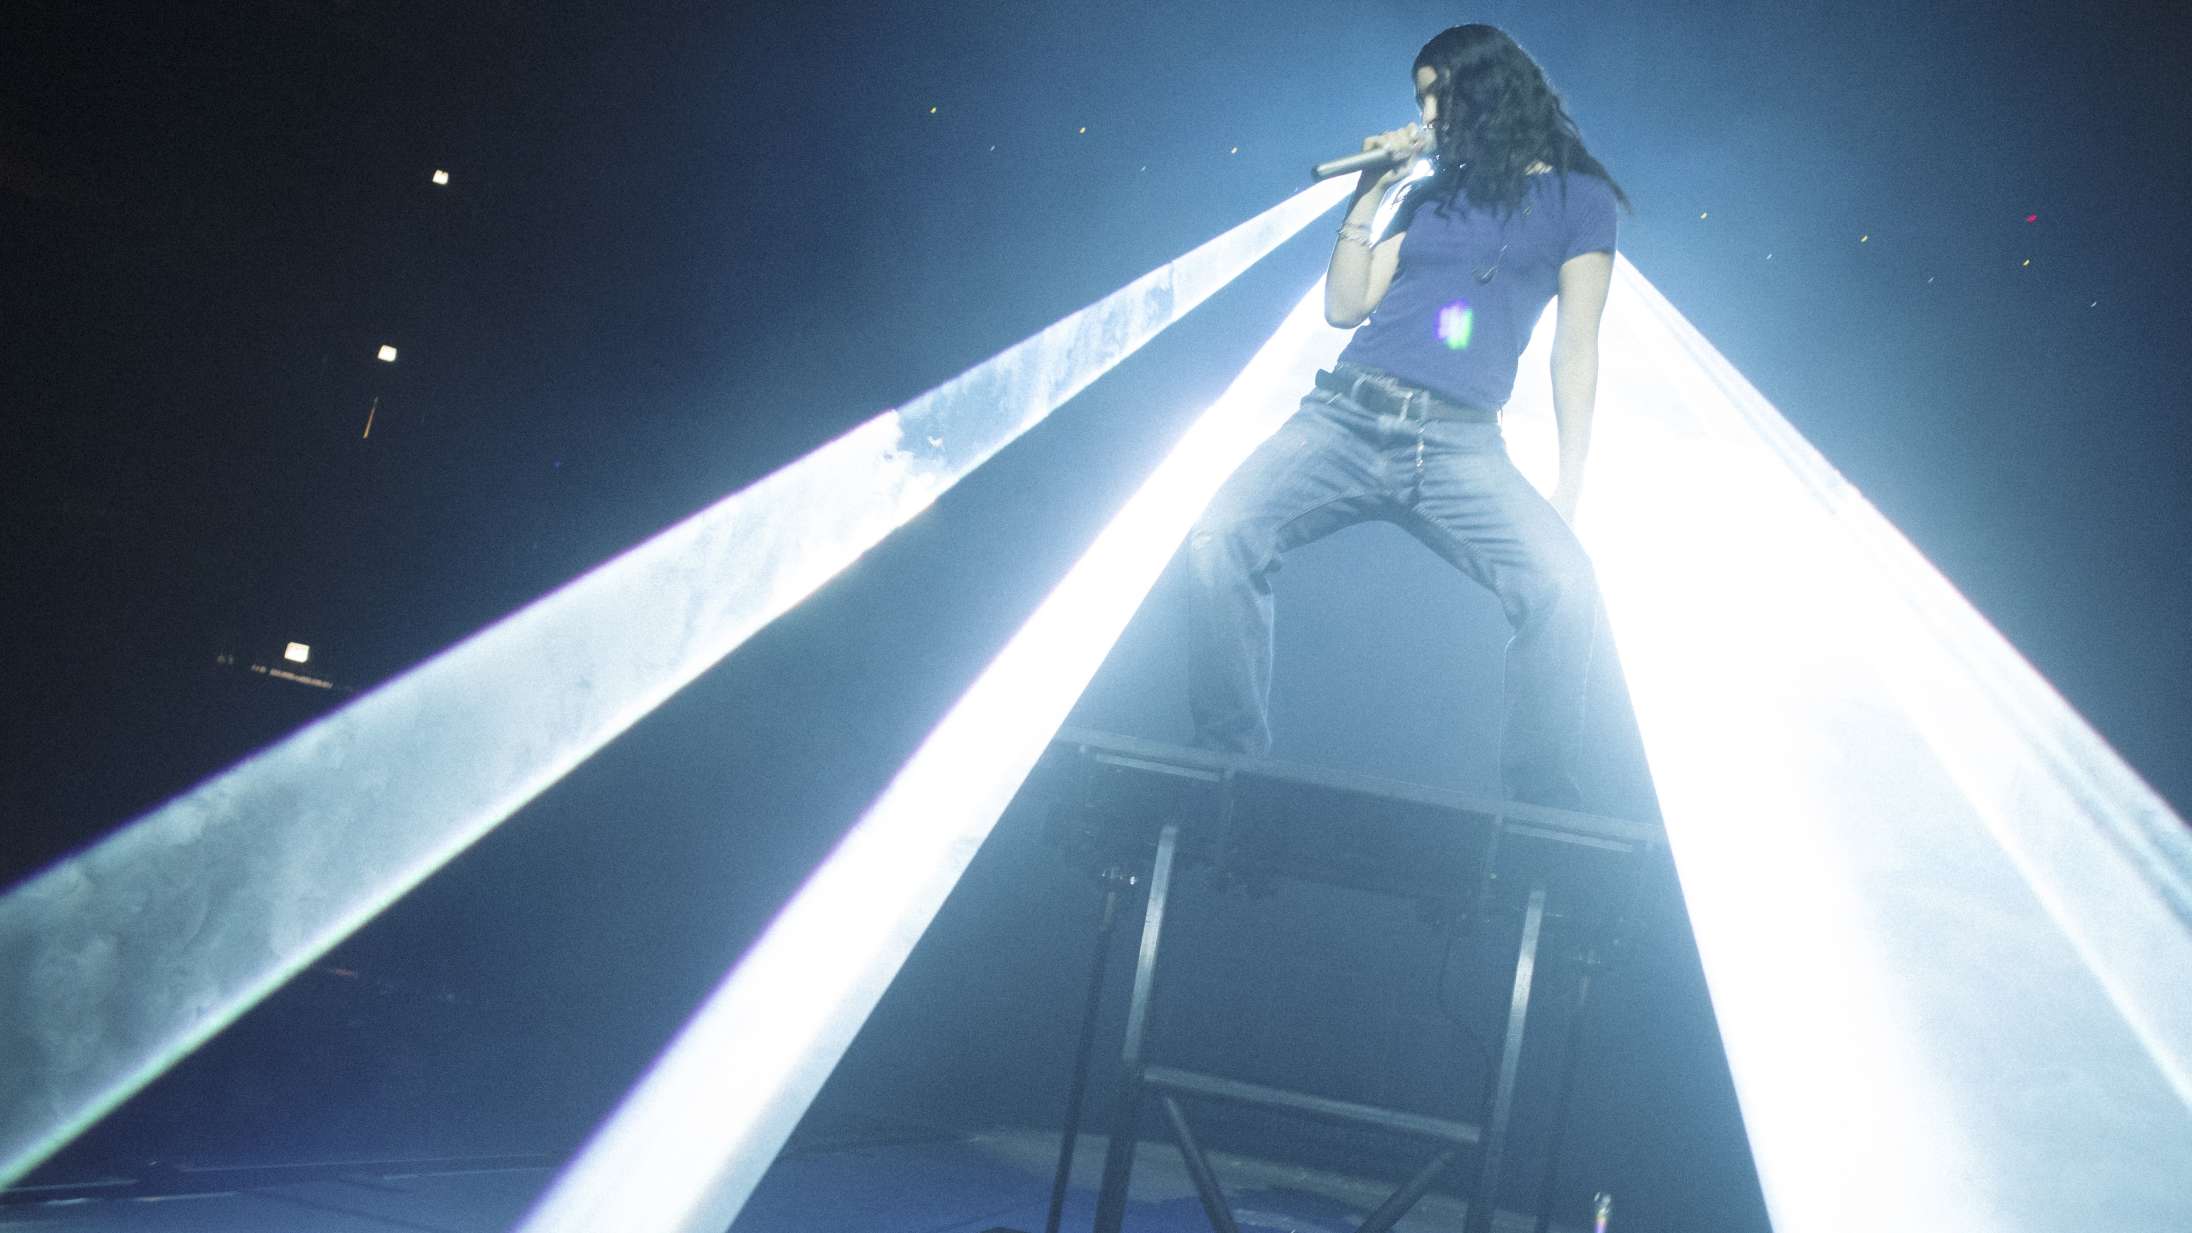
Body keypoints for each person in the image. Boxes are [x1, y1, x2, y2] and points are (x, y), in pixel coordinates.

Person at [1184, 23, 1630, 809]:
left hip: (1460, 448)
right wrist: (1371, 189)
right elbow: (1344, 303)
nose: (1427, 115)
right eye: (1421, 100)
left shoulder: (1581, 200)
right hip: (1346, 417)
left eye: (1437, 95)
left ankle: (1538, 806)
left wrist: (1573, 479)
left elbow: (1577, 351)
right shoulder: (1431, 190)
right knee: (1222, 536)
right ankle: (1229, 761)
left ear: (1486, 88)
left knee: (1564, 584)